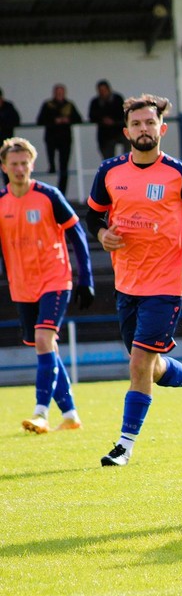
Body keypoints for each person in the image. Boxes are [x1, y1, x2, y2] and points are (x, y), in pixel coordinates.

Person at [85, 94, 182, 467]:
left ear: (162, 129)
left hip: (165, 283)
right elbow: (92, 215)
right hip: (126, 283)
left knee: (139, 363)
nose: (143, 129)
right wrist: (101, 234)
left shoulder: (180, 173)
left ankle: (124, 446)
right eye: (137, 123)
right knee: (148, 366)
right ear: (126, 131)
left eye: (150, 122)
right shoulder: (109, 172)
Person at [1, 138, 94, 434]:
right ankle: (70, 415)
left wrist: (86, 278)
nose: (19, 169)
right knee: (46, 346)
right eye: (14, 164)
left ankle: (40, 413)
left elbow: (77, 232)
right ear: (4, 166)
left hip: (54, 279)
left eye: (24, 163)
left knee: (43, 340)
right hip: (21, 285)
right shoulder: (1, 203)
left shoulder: (48, 195)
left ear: (32, 164)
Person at [36, 83, 82, 194]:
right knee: (52, 165)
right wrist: (54, 120)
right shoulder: (48, 105)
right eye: (57, 92)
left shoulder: (69, 105)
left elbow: (78, 119)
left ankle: (62, 193)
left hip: (65, 139)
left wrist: (68, 120)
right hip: (51, 138)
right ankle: (49, 188)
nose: (59, 94)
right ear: (54, 93)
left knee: (64, 167)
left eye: (61, 92)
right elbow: (40, 120)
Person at [88, 80, 127, 160]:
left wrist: (114, 121)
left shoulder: (118, 99)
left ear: (109, 89)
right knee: (108, 158)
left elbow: (123, 114)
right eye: (100, 91)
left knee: (129, 143)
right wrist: (103, 120)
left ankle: (126, 162)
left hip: (119, 130)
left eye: (104, 90)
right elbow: (92, 116)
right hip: (105, 134)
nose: (102, 92)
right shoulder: (95, 102)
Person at [0, 89, 21, 185]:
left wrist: (4, 125)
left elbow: (16, 120)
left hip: (6, 143)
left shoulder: (8, 107)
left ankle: (9, 191)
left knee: (7, 170)